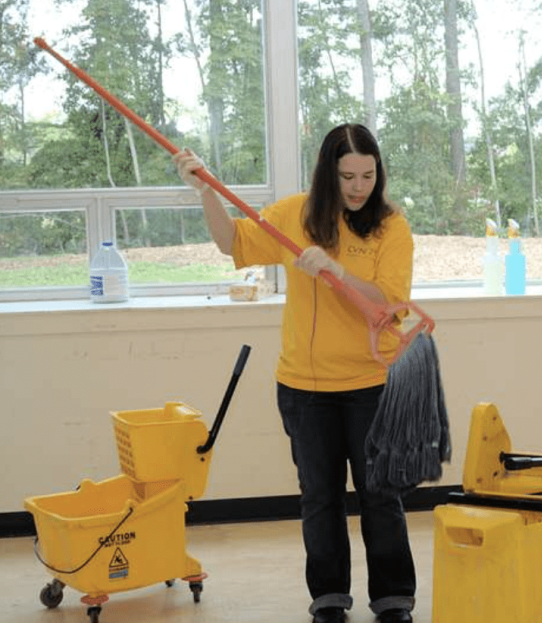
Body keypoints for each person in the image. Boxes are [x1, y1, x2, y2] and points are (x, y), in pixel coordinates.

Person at [174, 124, 416, 623]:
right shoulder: (295, 214)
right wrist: (204, 190)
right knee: (320, 497)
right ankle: (329, 596)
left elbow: (390, 303)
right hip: (305, 389)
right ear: (328, 174)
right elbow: (232, 244)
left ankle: (393, 598)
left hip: (369, 384)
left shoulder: (391, 227)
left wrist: (337, 270)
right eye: (347, 175)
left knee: (380, 495)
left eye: (368, 175)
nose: (358, 187)